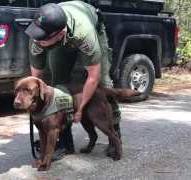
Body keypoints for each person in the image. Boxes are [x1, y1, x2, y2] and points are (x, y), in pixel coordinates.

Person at [25, 0, 122, 161]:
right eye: (37, 36)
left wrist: (80, 109)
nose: (38, 41)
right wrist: (37, 108)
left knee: (103, 84)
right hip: (58, 36)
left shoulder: (84, 34)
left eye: (42, 39)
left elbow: (93, 76)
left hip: (89, 29)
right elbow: (36, 80)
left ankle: (115, 134)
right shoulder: (38, 34)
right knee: (58, 84)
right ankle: (64, 141)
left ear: (60, 34)